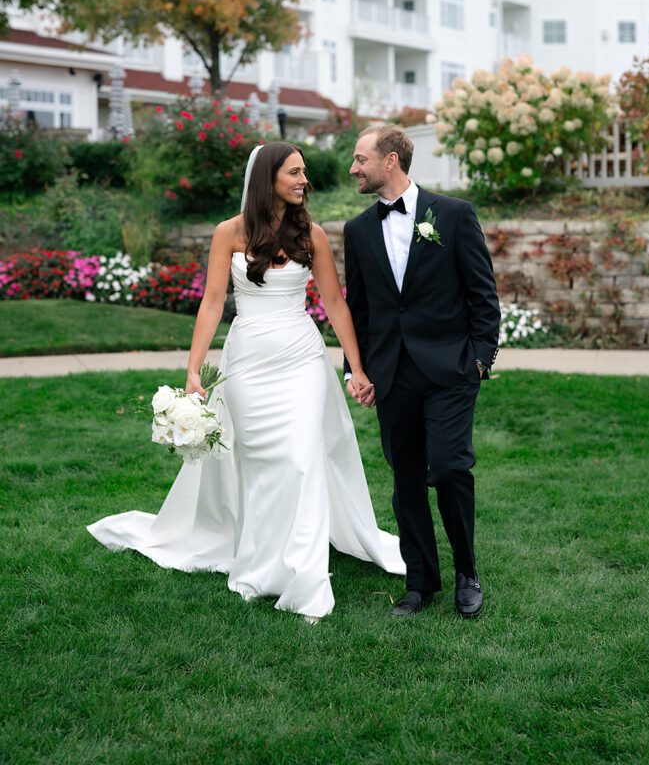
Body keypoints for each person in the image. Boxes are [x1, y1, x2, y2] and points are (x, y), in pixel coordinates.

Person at [88, 143, 405, 622]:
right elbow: (213, 303)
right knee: (257, 465)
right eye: (295, 172)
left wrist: (356, 369)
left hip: (300, 358)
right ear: (267, 177)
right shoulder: (228, 233)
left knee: (300, 460)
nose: (305, 181)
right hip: (248, 363)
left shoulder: (312, 234)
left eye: (305, 173)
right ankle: (260, 561)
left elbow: (336, 306)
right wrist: (194, 369)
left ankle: (303, 573)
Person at [343, 125, 500, 618]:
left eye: (360, 159)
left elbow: (483, 296)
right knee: (405, 479)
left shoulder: (453, 215)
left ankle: (467, 573)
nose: (354, 168)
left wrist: (479, 359)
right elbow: (359, 310)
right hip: (392, 374)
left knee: (451, 467)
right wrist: (358, 369)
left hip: (450, 369)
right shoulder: (356, 231)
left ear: (390, 161)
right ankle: (420, 583)